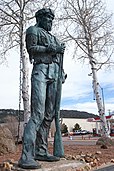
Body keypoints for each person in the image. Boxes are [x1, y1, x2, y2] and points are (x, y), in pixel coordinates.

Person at [18, 8, 66, 169]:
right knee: (37, 114)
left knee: (48, 115)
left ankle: (41, 150)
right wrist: (50, 49)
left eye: (52, 19)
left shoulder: (53, 37)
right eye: (48, 19)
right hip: (40, 72)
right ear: (40, 18)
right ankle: (26, 156)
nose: (50, 22)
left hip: (54, 75)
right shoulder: (33, 30)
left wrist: (62, 73)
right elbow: (31, 49)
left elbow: (58, 59)